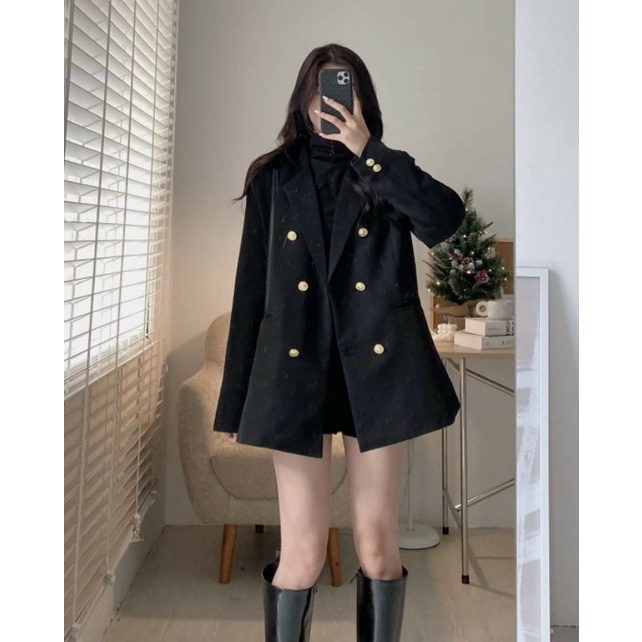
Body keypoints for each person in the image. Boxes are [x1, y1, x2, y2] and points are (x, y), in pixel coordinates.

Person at [213, 43, 465, 642]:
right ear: (303, 101)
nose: (327, 104)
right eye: (318, 91)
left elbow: (445, 219)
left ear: (360, 100)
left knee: (377, 548)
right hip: (294, 372)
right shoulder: (273, 177)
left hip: (375, 375)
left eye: (340, 90)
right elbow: (251, 291)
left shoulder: (382, 169)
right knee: (301, 553)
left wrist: (368, 152)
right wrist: (235, 402)